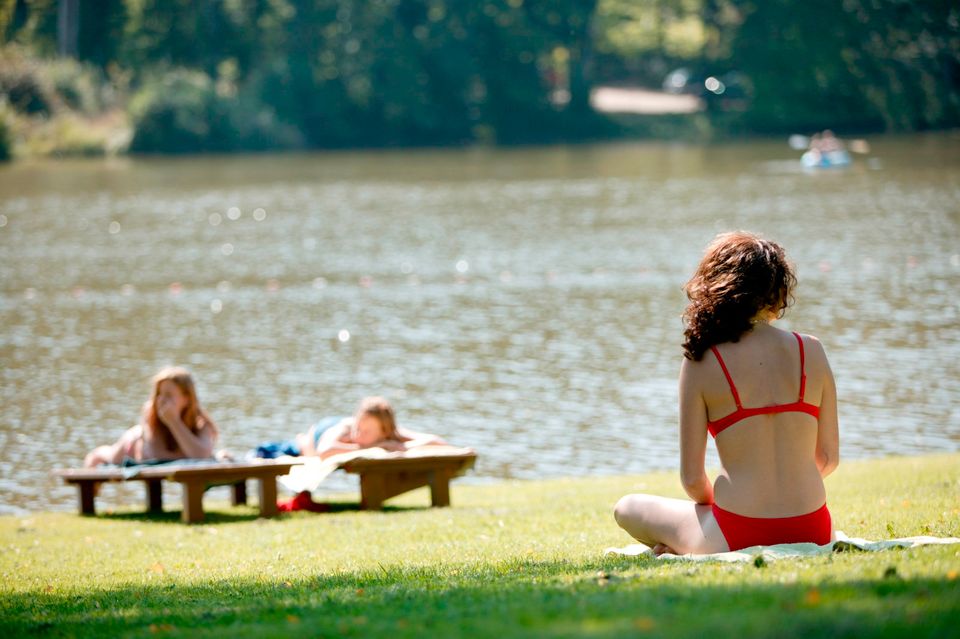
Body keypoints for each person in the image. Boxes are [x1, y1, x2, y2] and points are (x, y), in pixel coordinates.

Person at [614, 232, 839, 554]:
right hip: (814, 527)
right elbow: (828, 458)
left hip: (737, 531)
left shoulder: (702, 361)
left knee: (627, 506)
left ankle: (685, 542)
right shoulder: (812, 350)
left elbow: (693, 481)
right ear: (777, 290)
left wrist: (732, 503)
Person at [83, 367, 218, 467]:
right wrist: (173, 422)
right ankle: (94, 458)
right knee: (108, 456)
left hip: (158, 442)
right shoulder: (150, 412)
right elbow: (154, 456)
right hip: (131, 444)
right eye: (159, 394)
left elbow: (201, 456)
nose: (161, 400)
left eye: (169, 395)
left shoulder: (200, 420)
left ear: (186, 399)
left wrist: (175, 422)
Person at [254, 396, 445, 460]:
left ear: (384, 432)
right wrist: (372, 447)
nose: (358, 435)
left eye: (366, 432)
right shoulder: (346, 429)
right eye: (358, 428)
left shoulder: (391, 433)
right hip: (297, 447)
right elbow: (324, 451)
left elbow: (436, 441)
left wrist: (401, 446)